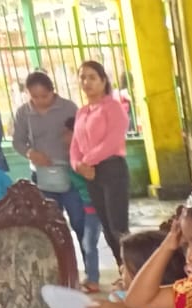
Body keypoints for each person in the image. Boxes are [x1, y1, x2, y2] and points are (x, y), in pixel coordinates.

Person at [12, 70, 101, 292]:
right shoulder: (23, 113)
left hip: (70, 174)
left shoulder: (68, 107)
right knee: (49, 226)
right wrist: (31, 153)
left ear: (53, 91)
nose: (40, 101)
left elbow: (82, 134)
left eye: (44, 96)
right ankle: (58, 272)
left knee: (79, 222)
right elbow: (18, 141)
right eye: (34, 97)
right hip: (42, 177)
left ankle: (90, 273)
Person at [70, 60, 131, 267]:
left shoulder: (113, 107)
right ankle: (122, 270)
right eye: (82, 77)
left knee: (118, 226)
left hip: (112, 170)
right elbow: (75, 144)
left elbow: (112, 141)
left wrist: (86, 162)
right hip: (90, 174)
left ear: (103, 81)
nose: (86, 82)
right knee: (106, 225)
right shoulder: (82, 112)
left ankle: (133, 271)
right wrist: (77, 165)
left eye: (92, 77)